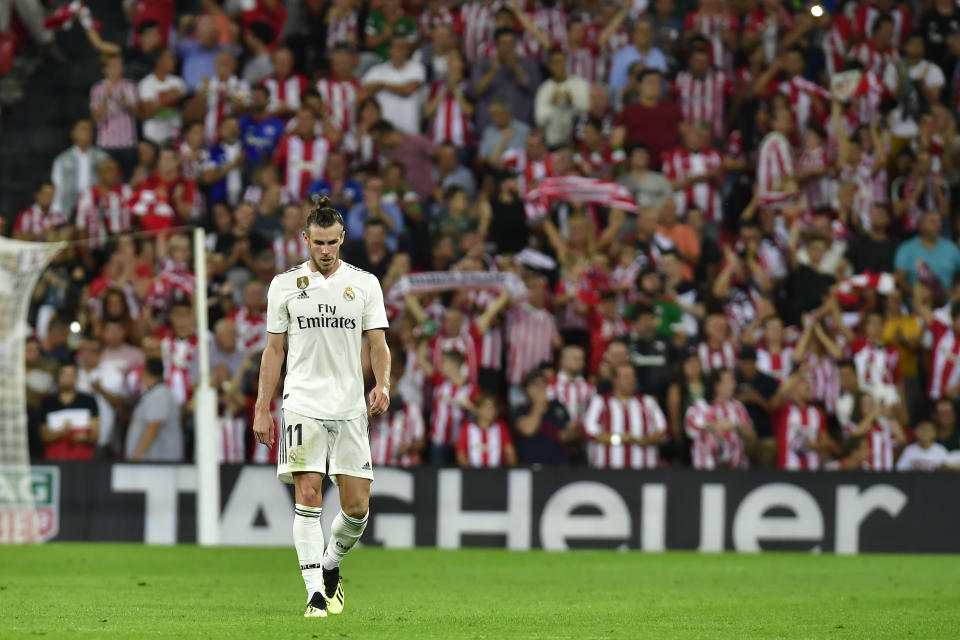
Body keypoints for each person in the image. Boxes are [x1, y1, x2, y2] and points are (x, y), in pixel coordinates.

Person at [253, 196, 391, 618]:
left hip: (350, 407)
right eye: (319, 242)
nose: (326, 250)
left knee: (356, 509)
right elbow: (273, 351)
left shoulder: (365, 283)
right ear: (305, 239)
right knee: (308, 496)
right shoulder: (284, 285)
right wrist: (262, 407)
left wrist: (382, 384)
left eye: (332, 242)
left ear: (343, 238)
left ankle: (331, 566)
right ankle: (314, 593)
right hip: (302, 403)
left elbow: (379, 344)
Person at [583, 362, 668, 468]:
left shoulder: (647, 401)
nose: (630, 380)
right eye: (625, 377)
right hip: (607, 470)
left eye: (633, 376)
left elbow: (662, 429)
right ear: (615, 380)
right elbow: (589, 430)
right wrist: (619, 439)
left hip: (644, 470)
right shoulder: (600, 401)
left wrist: (647, 440)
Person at [685, 369, 755, 469]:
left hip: (737, 471)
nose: (734, 384)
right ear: (717, 385)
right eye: (730, 381)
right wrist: (713, 426)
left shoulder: (738, 407)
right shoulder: (699, 407)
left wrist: (736, 426)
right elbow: (690, 429)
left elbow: (752, 435)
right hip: (705, 470)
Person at [361, 36, 425, 135]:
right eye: (398, 47)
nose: (401, 50)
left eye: (405, 47)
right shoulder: (377, 70)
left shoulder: (416, 67)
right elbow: (364, 90)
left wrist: (382, 85)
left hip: (410, 129)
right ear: (389, 50)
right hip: (384, 130)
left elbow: (408, 90)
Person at [125, 357, 183, 462]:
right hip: (153, 463)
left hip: (158, 463)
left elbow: (153, 427)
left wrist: (136, 457)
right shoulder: (155, 393)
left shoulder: (160, 394)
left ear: (145, 372)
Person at [514, 369, 577, 464]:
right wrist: (538, 405)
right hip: (533, 466)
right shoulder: (521, 410)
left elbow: (574, 431)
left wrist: (565, 435)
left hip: (559, 466)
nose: (541, 388)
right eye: (536, 385)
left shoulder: (556, 405)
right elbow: (528, 430)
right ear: (527, 389)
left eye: (543, 383)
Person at [50, 119, 109, 218]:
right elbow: (56, 186)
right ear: (73, 133)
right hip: (68, 209)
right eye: (83, 129)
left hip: (95, 208)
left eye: (90, 130)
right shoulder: (62, 159)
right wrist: (56, 210)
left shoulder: (103, 158)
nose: (87, 132)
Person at [40, 364, 99, 461]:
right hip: (54, 459)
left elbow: (95, 435)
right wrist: (61, 433)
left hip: (83, 460)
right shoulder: (48, 401)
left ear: (76, 378)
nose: (68, 378)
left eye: (71, 375)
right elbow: (43, 435)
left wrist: (85, 438)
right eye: (65, 375)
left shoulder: (88, 400)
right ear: (58, 377)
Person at [138, 48, 186, 146]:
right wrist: (167, 99)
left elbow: (183, 108)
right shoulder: (146, 83)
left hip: (175, 135)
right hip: (153, 137)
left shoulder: (178, 82)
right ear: (158, 62)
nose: (173, 60)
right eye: (169, 57)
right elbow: (147, 113)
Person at [455, 394, 517, 467]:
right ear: (477, 409)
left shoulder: (501, 427)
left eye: (493, 407)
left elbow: (509, 451)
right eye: (486, 407)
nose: (490, 410)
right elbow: (460, 453)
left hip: (497, 474)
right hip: (473, 474)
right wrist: (469, 472)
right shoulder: (467, 428)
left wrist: (512, 470)